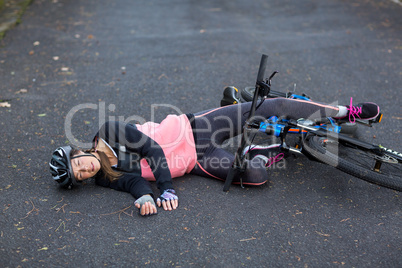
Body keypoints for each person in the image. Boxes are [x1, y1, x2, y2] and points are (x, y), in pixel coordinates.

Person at [49, 88, 380, 216]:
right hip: (196, 161)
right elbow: (133, 184)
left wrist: (164, 188)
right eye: (80, 178)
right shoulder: (106, 178)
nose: (85, 172)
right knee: (256, 177)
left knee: (270, 106)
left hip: (194, 130)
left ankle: (343, 112)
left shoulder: (107, 132)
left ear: (78, 153)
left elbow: (151, 151)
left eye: (79, 166)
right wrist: (144, 198)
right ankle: (262, 150)